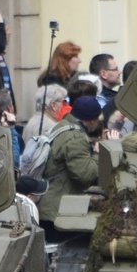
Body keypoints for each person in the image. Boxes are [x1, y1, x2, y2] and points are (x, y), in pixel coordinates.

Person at [35, 96, 101, 239]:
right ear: (91, 120)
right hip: (57, 212)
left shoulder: (62, 125)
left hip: (48, 205)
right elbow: (86, 174)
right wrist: (97, 153)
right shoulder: (75, 138)